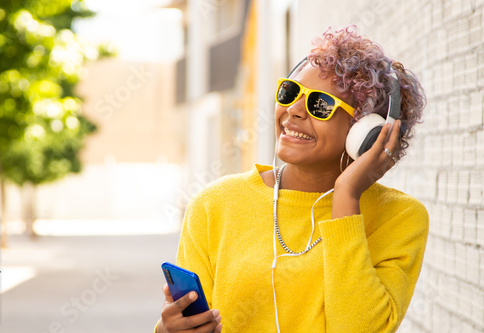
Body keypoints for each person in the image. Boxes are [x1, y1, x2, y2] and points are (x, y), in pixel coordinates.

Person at [155, 25, 428, 333]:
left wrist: (346, 197)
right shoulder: (214, 204)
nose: (294, 110)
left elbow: (358, 328)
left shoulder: (400, 217)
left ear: (366, 134)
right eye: (290, 92)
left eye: (319, 105)